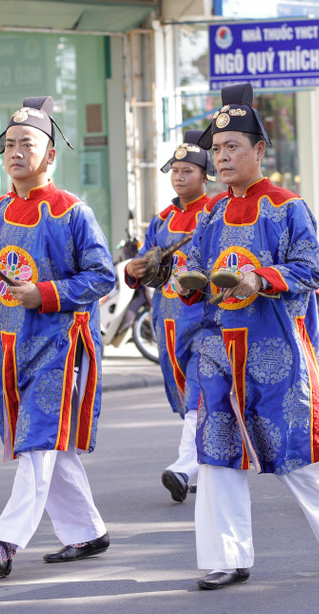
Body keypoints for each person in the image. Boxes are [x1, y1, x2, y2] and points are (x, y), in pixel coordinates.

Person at [175, 83, 319, 591]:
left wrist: (262, 278)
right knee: (216, 449)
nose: (222, 158)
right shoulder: (209, 213)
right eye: (218, 150)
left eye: (232, 148)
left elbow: (311, 270)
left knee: (289, 447)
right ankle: (227, 557)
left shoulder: (288, 207)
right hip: (218, 348)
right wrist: (185, 281)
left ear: (259, 151)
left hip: (275, 346)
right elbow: (198, 268)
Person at [0, 97, 114, 579]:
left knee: (37, 442)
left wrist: (48, 293)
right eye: (9, 144)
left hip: (58, 346)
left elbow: (102, 277)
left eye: (27, 144)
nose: (15, 152)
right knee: (45, 445)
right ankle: (86, 531)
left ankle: (5, 542)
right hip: (4, 348)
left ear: (50, 154)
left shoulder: (73, 212)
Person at [124, 130, 214, 504]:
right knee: (183, 392)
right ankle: (202, 463)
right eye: (175, 170)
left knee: (199, 390)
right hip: (167, 319)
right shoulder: (161, 219)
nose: (179, 177)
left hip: (205, 318)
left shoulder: (216, 212)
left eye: (188, 170)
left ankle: (184, 467)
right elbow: (143, 263)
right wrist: (136, 267)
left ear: (204, 175)